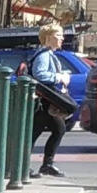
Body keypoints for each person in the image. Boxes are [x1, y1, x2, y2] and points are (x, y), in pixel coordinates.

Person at [23, 23, 72, 177]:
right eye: (59, 35)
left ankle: (46, 165)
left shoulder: (49, 54)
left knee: (58, 130)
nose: (62, 38)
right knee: (34, 133)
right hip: (43, 101)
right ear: (49, 37)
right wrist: (59, 77)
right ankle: (23, 167)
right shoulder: (44, 55)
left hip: (48, 102)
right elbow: (40, 75)